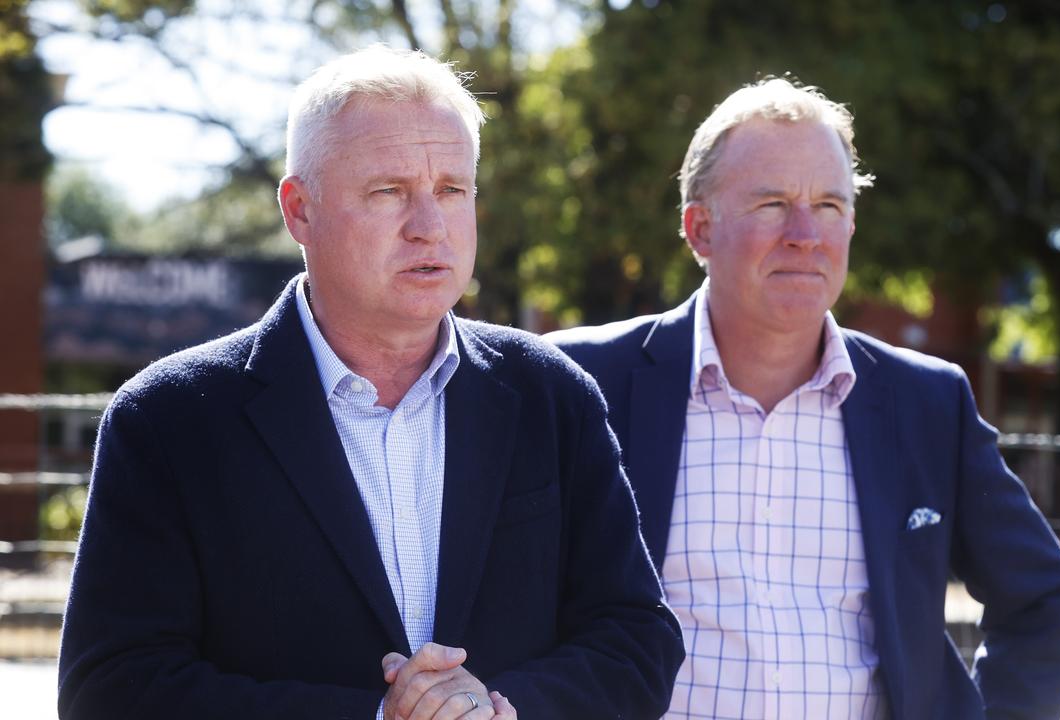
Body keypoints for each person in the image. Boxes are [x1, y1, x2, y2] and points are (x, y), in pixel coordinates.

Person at [58, 45, 683, 720]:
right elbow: (113, 689)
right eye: (389, 192)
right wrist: (380, 717)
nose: (429, 226)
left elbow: (636, 637)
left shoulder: (551, 395)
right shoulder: (170, 418)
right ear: (299, 210)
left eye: (452, 190)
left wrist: (502, 711)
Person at [547, 78, 1060, 719]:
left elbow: (1042, 601)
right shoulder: (579, 382)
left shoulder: (926, 404)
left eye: (830, 204)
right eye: (773, 203)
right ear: (699, 229)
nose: (806, 234)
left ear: (851, 225)